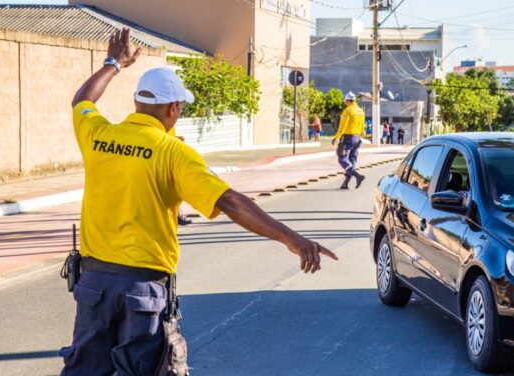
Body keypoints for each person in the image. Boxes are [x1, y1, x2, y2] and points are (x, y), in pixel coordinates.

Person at [61, 28, 337, 375]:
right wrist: (291, 239)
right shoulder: (173, 152)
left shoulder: (99, 135)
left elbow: (82, 102)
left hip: (94, 286)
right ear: (173, 108)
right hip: (142, 291)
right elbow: (230, 201)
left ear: (137, 103)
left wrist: (114, 63)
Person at [331, 91, 366, 190]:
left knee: (342, 158)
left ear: (347, 101)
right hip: (358, 138)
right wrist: (362, 134)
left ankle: (357, 176)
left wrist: (336, 137)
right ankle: (345, 183)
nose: (345, 103)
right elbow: (363, 125)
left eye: (345, 101)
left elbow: (343, 127)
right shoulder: (361, 111)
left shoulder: (347, 111)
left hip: (348, 138)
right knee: (352, 160)